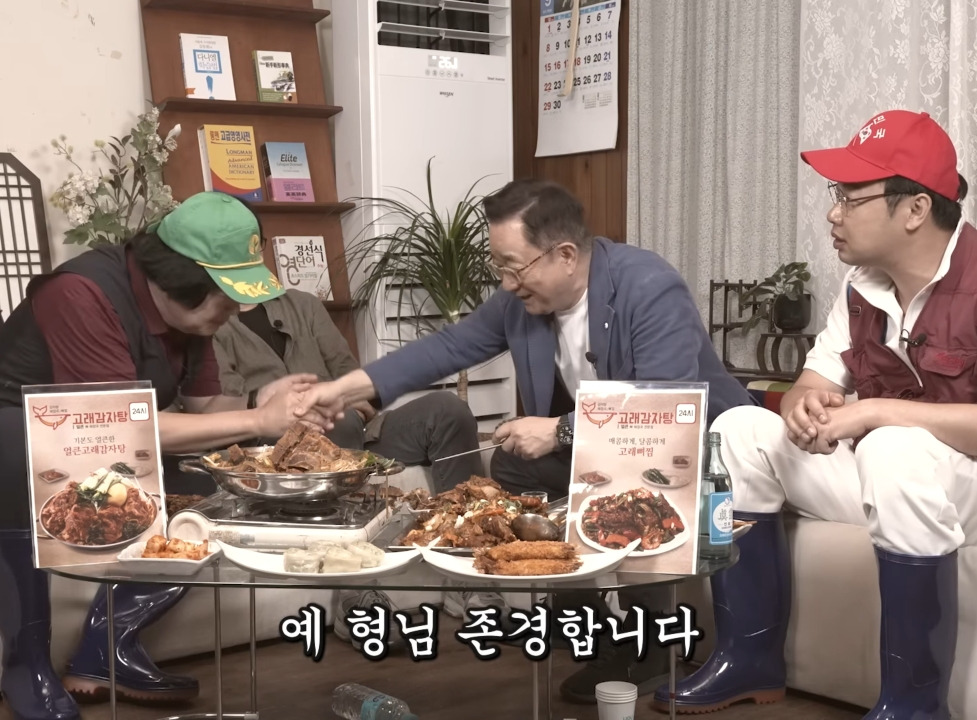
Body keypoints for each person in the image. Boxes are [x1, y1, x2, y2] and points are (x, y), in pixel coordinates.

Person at [294, 178, 757, 702]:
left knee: (627, 483)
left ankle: (648, 646)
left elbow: (663, 406)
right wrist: (342, 390)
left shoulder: (648, 285)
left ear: (565, 255)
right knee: (515, 467)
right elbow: (448, 347)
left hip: (693, 450)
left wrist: (559, 430)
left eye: (513, 267)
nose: (506, 283)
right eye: (499, 267)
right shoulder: (522, 301)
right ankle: (581, 622)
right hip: (613, 444)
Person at [655, 110, 971, 718]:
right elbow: (814, 380)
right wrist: (805, 406)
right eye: (836, 195)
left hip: (960, 481)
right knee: (736, 431)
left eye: (851, 197)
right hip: (895, 480)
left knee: (892, 446)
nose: (833, 213)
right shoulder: (861, 286)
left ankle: (914, 706)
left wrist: (871, 413)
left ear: (915, 209)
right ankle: (747, 658)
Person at [0, 192, 327, 720]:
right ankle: (26, 662)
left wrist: (260, 402)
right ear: (179, 278)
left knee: (209, 486)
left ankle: (105, 649)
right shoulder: (80, 293)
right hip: (21, 432)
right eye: (227, 295)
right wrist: (255, 422)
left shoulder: (192, 320)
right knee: (13, 445)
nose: (236, 309)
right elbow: (115, 429)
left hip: (97, 442)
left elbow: (204, 412)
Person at [211, 287, 483, 644]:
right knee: (334, 427)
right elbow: (221, 409)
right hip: (278, 453)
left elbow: (355, 382)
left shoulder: (303, 304)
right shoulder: (210, 315)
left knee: (448, 411)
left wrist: (341, 405)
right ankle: (358, 591)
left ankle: (465, 570)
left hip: (355, 430)